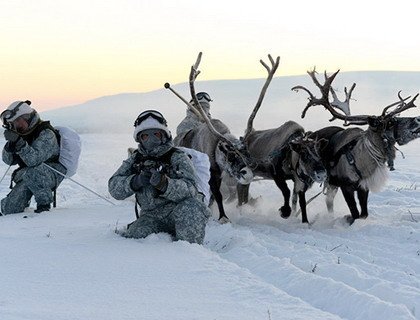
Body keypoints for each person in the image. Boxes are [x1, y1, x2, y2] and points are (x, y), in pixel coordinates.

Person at [108, 109, 211, 244]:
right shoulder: (135, 160)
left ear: (164, 135)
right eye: (145, 136)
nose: (151, 140)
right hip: (151, 216)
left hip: (179, 211)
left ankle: (189, 254)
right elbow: (114, 187)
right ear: (139, 139)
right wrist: (135, 181)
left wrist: (165, 185)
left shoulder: (178, 157)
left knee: (192, 208)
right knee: (134, 238)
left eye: (156, 134)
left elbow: (191, 189)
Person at [1, 100, 66, 214]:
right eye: (12, 123)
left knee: (34, 172)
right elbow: (8, 161)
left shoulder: (46, 133)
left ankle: (44, 207)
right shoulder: (21, 134)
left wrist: (20, 144)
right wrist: (10, 146)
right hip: (28, 174)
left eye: (17, 121)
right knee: (10, 209)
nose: (15, 126)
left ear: (26, 117)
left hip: (51, 172)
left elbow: (34, 160)